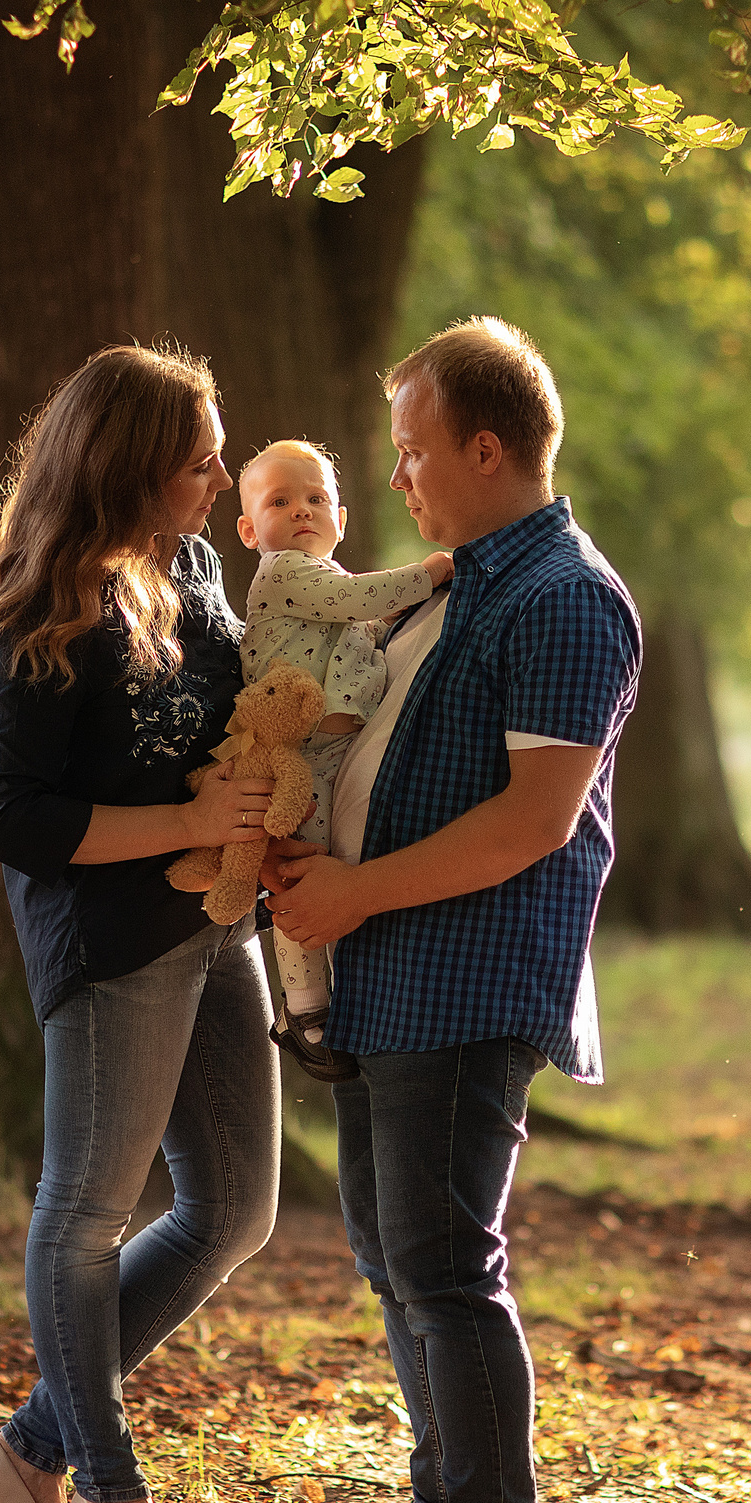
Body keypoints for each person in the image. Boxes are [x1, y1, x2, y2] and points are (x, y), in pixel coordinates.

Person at [265, 318, 642, 1503]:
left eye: (417, 452)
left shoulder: (563, 598)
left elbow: (536, 819)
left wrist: (358, 889)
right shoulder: (467, 581)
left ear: (490, 450)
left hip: (466, 981)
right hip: (388, 970)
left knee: (443, 1256)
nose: (402, 476)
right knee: (391, 1246)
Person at [0, 342, 279, 1503]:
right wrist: (191, 825)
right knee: (86, 1212)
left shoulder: (189, 563)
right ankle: (109, 1491)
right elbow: (14, 820)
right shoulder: (50, 604)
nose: (219, 473)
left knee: (233, 1209)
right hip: (110, 950)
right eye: (199, 458)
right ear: (132, 467)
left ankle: (27, 1453)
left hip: (212, 930)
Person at [231, 438, 453, 1080]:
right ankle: (304, 1008)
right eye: (280, 502)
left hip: (333, 753)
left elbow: (365, 626)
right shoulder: (283, 574)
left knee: (325, 861)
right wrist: (432, 571)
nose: (302, 511)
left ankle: (339, 991)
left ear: (341, 518)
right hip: (292, 753)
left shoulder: (336, 586)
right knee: (298, 872)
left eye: (316, 498)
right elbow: (364, 602)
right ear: (250, 530)